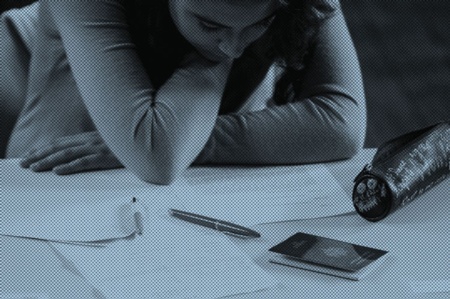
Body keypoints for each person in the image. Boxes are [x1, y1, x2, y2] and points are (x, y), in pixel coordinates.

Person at [3, 0, 366, 184]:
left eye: (260, 22)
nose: (233, 48)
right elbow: (158, 157)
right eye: (210, 23)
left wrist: (195, 140)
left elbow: (343, 123)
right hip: (55, 178)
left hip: (203, 181)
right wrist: (156, 137)